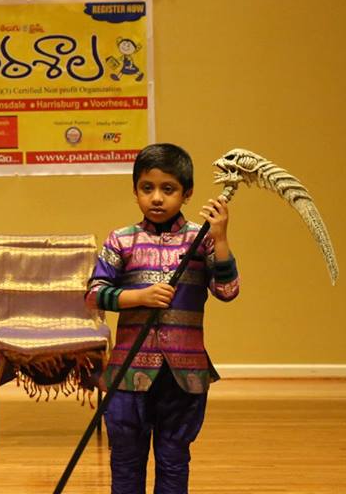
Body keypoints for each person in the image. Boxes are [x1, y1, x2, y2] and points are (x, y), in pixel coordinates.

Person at [86, 143, 240, 494]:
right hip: (128, 373)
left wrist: (220, 238)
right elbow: (94, 294)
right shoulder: (121, 240)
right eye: (147, 188)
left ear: (187, 193)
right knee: (126, 462)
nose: (156, 198)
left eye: (168, 189)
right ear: (135, 190)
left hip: (183, 375)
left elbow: (228, 290)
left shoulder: (201, 240)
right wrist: (138, 297)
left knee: (173, 461)